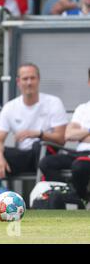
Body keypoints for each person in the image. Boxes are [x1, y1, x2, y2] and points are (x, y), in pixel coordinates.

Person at [0, 63, 68, 187]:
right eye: (25, 79)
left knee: (38, 146)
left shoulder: (53, 103)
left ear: (38, 80)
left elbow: (61, 139)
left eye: (32, 78)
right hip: (22, 156)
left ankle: (44, 197)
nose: (29, 82)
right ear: (18, 82)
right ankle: (0, 197)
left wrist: (38, 134)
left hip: (45, 154)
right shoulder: (10, 107)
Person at [39, 68, 90, 206]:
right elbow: (68, 134)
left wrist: (80, 133)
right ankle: (67, 194)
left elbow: (75, 134)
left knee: (79, 166)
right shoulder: (83, 108)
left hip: (84, 159)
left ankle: (80, 198)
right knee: (46, 163)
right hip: (78, 153)